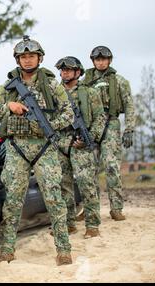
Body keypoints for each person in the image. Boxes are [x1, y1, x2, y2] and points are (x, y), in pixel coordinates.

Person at [0, 36, 74, 266]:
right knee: (13, 200)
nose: (28, 60)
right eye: (23, 57)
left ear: (40, 58)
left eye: (31, 56)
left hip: (44, 148)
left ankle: (64, 250)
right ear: (18, 60)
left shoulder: (52, 85)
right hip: (17, 148)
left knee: (54, 198)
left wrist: (48, 126)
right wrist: (10, 106)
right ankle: (7, 250)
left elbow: (69, 114)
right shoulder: (7, 87)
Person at [55, 56, 105, 238]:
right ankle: (68, 224)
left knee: (86, 184)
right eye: (62, 69)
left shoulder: (89, 93)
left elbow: (100, 118)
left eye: (68, 69)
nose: (64, 72)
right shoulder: (56, 93)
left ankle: (92, 225)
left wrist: (90, 137)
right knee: (63, 185)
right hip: (61, 143)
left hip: (82, 144)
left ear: (78, 72)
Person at [83, 46, 135, 221]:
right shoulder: (85, 81)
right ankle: (89, 209)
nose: (100, 62)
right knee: (89, 170)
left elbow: (129, 105)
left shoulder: (120, 81)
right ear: (93, 61)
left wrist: (129, 128)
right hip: (90, 126)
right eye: (97, 59)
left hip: (111, 124)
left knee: (111, 167)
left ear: (110, 60)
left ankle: (116, 208)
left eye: (104, 59)